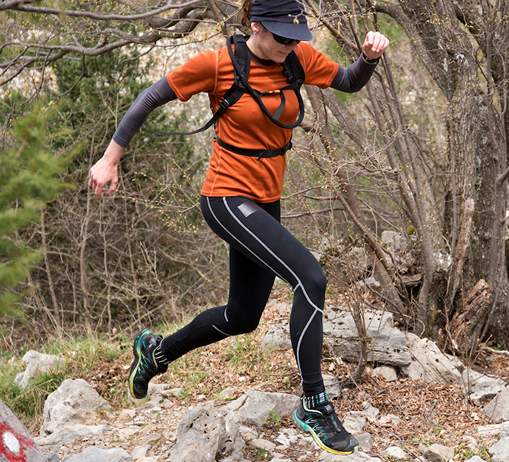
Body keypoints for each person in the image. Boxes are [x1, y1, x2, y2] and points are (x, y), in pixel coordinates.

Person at [87, 0, 389, 455]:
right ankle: (313, 404)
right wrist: (111, 159)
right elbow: (151, 96)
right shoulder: (218, 64)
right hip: (227, 197)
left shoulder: (298, 58)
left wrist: (368, 58)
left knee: (242, 316)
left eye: (296, 37)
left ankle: (156, 353)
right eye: (282, 37)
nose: (291, 45)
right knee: (311, 279)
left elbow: (346, 81)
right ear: (255, 26)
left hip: (267, 202)